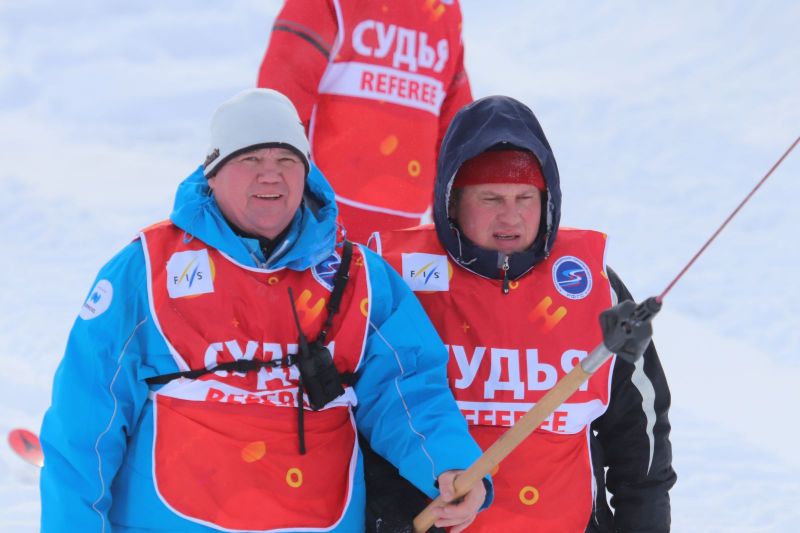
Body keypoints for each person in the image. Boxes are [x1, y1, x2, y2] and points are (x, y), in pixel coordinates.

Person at [39, 88, 491, 533]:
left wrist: (446, 463)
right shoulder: (147, 269)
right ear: (213, 173)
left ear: (307, 173)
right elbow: (85, 424)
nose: (270, 176)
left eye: (286, 160)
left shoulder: (360, 277)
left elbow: (408, 389)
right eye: (251, 159)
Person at [367, 95, 677, 531]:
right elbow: (362, 414)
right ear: (452, 201)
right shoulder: (395, 277)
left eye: (525, 197)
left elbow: (639, 428)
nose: (510, 217)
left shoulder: (592, 284)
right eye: (491, 198)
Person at [257, 0, 472, 242]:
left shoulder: (444, 10)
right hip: (320, 217)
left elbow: (457, 130)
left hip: (402, 232)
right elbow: (280, 103)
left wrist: (459, 224)